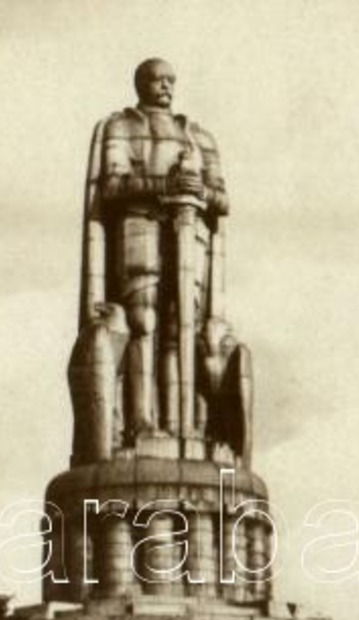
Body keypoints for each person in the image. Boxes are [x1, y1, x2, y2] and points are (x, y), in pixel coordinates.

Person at [84, 59, 228, 441]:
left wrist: (198, 191)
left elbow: (222, 199)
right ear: (141, 84)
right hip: (140, 232)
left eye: (170, 80)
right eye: (157, 79)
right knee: (142, 323)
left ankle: (182, 425)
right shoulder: (122, 127)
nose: (166, 86)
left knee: (181, 329)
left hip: (188, 239)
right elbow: (112, 187)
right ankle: (141, 421)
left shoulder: (198, 137)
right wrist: (165, 185)